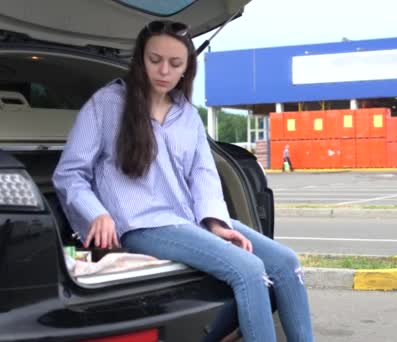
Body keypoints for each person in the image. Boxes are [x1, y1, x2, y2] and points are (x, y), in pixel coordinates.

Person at [53, 20, 314, 342]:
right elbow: (70, 172)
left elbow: (203, 175)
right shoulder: (106, 104)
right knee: (248, 270)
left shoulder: (187, 113)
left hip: (190, 219)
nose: (164, 70)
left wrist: (217, 224)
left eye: (175, 63)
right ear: (140, 60)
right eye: (155, 60)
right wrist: (96, 213)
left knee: (286, 262)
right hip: (141, 225)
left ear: (186, 70)